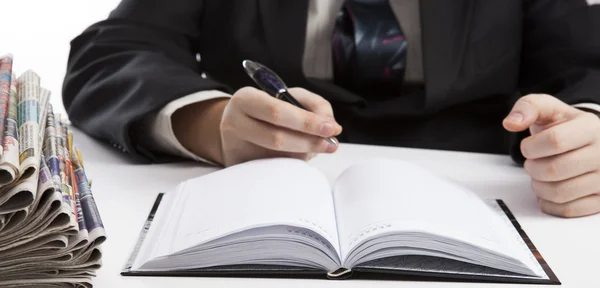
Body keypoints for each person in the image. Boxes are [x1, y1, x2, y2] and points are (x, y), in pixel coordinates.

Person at [63, 0, 600, 218]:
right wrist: (208, 123)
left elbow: (586, 61)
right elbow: (113, 51)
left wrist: (588, 127)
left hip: (494, 208)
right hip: (258, 200)